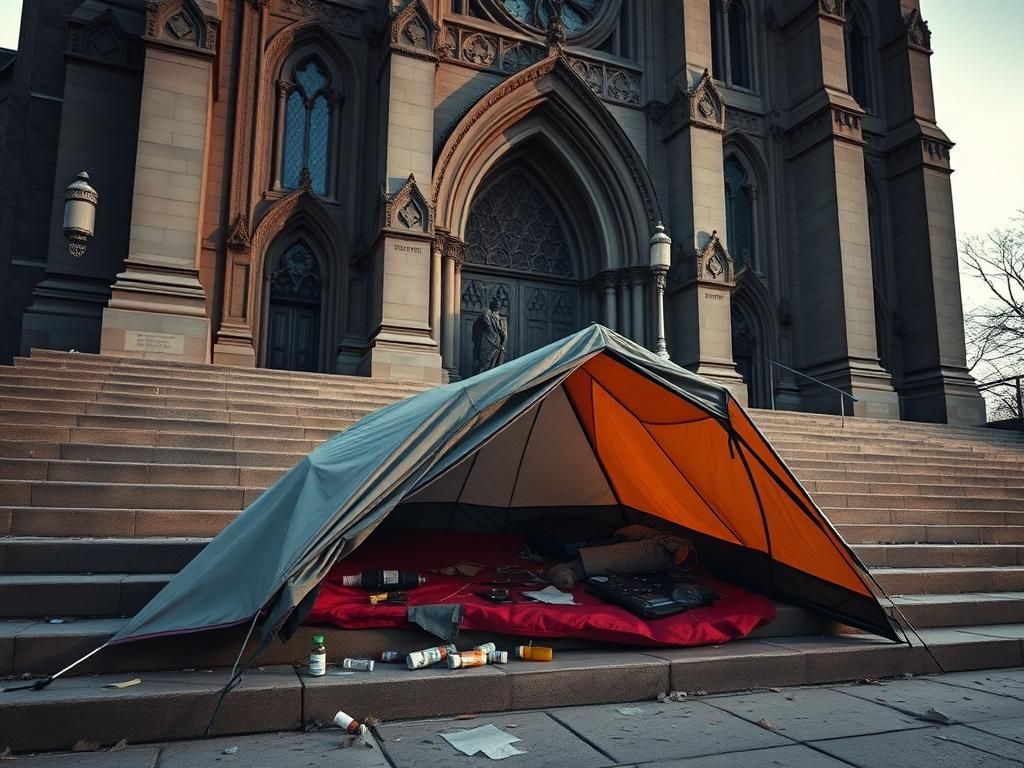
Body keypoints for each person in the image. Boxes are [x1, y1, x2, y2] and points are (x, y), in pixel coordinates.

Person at [472, 297, 507, 374]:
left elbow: (504, 333)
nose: (498, 306)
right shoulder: (486, 314)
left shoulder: (501, 319)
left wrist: (502, 344)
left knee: (496, 368)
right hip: (488, 344)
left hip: (498, 347)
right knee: (484, 366)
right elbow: (487, 326)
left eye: (498, 304)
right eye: (496, 304)